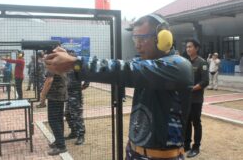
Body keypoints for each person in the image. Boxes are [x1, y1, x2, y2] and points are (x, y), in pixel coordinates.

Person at [45, 14, 194, 160]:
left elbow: (125, 69)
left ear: (163, 38)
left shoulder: (179, 66)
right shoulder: (144, 63)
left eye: (142, 38)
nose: (137, 44)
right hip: (134, 152)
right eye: (135, 38)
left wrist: (75, 63)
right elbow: (117, 66)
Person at [184, 38, 209, 158]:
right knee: (186, 122)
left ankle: (196, 147)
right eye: (187, 47)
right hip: (186, 98)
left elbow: (205, 81)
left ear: (197, 48)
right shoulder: (186, 62)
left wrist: (192, 88)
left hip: (196, 99)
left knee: (196, 123)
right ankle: (186, 144)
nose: (188, 49)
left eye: (190, 47)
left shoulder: (202, 62)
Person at [42, 71, 68, 156]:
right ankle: (58, 141)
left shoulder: (52, 66)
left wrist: (42, 98)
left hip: (54, 96)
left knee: (53, 121)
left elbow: (49, 81)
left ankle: (61, 146)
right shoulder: (60, 64)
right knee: (58, 120)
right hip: (61, 95)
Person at [64, 69, 89, 145]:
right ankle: (74, 132)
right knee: (67, 114)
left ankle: (81, 136)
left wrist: (82, 87)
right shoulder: (65, 66)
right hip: (68, 94)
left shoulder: (77, 67)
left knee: (77, 116)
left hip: (76, 95)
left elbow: (87, 78)